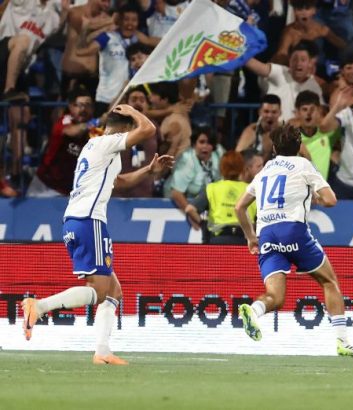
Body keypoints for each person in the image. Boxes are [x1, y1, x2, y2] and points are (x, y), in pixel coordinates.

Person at [21, 104, 173, 365]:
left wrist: (148, 171)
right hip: (88, 220)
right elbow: (148, 129)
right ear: (123, 130)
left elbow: (120, 182)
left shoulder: (95, 148)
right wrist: (133, 110)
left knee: (114, 291)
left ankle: (102, 351)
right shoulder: (107, 143)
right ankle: (39, 306)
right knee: (99, 291)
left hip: (76, 219)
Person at [234, 124, 353, 357]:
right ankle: (342, 341)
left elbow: (239, 206)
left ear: (274, 148)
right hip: (292, 230)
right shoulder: (304, 165)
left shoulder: (264, 171)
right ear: (299, 146)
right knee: (329, 282)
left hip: (267, 235)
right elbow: (331, 200)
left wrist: (250, 237)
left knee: (276, 297)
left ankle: (254, 311)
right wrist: (315, 197)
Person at [27, 87, 96, 197]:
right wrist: (95, 123)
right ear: (71, 107)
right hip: (45, 186)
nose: (83, 109)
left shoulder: (95, 131)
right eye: (79, 105)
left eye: (88, 105)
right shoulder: (65, 121)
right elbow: (72, 131)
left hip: (70, 192)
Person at [185, 151, 256, 244]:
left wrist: (203, 225)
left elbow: (190, 209)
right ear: (241, 168)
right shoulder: (251, 189)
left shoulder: (212, 188)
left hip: (218, 240)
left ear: (221, 168)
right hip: (244, 241)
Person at [164, 127, 218, 211]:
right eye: (202, 142)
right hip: (174, 203)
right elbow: (176, 193)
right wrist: (192, 214)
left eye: (209, 143)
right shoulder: (187, 160)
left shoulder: (219, 155)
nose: (205, 146)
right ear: (194, 144)